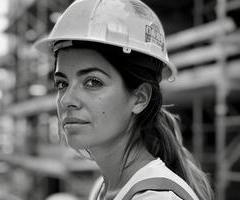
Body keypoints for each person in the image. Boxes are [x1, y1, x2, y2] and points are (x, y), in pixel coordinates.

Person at [34, 0, 214, 199]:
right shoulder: (102, 189)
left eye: (93, 82)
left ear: (140, 98)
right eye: (62, 83)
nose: (66, 100)